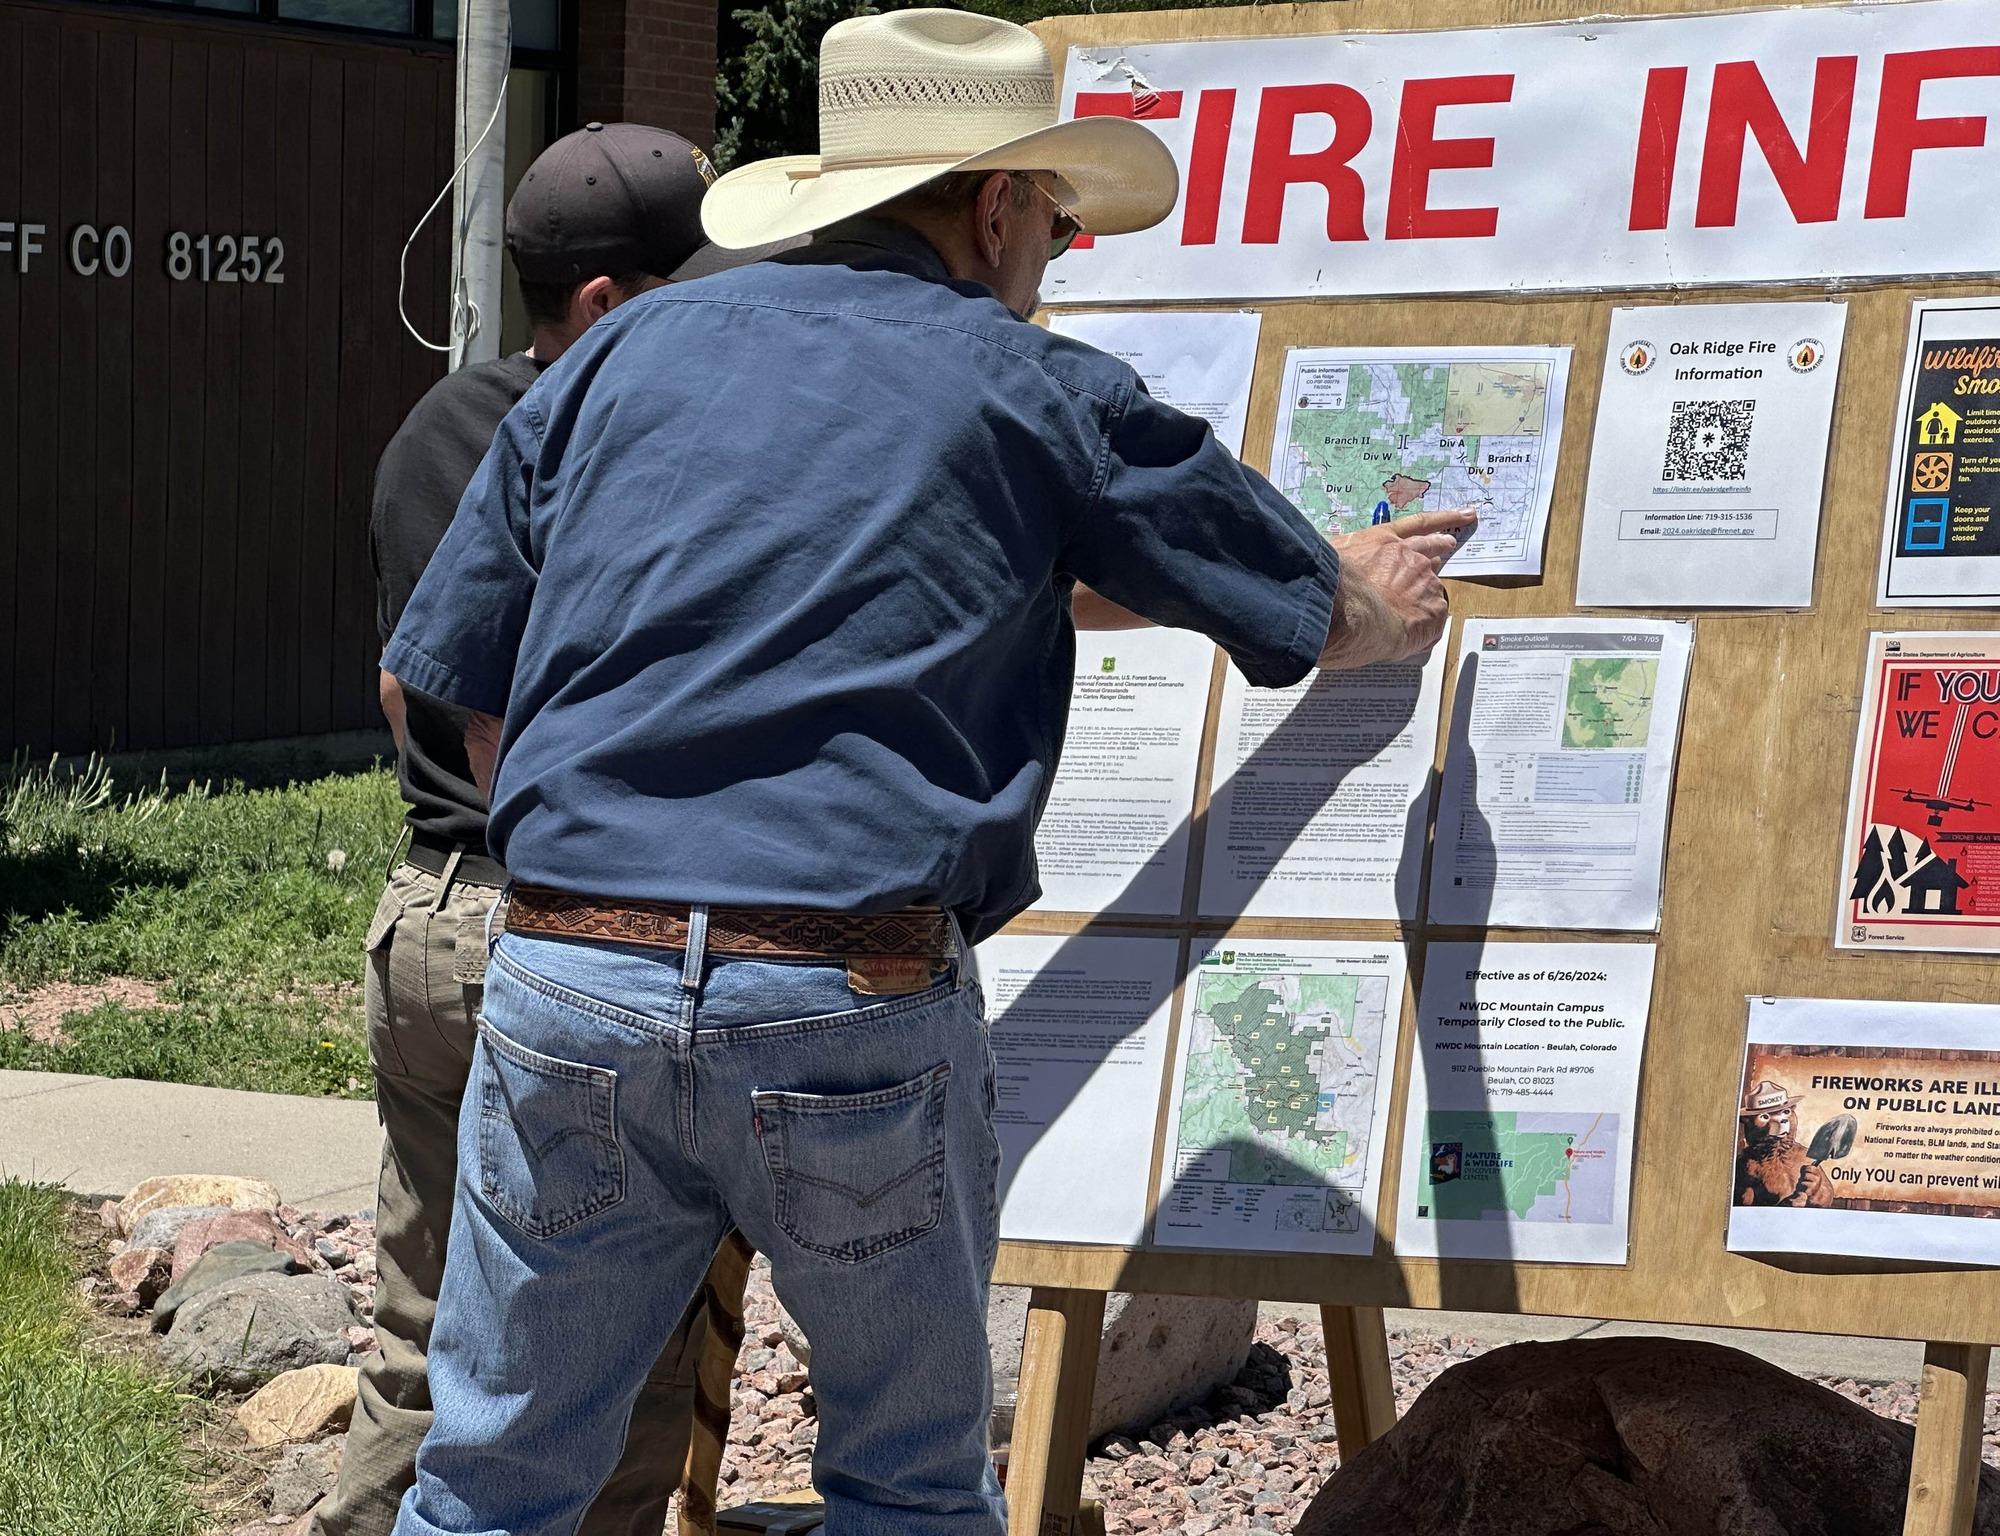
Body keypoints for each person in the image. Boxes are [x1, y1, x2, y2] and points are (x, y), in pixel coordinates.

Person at [381, 12, 1463, 1536]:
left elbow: (455, 684)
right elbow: (1302, 598)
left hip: (571, 973)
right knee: (903, 1487)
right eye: (1061, 221)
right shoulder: (1034, 389)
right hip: (847, 992)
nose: (1061, 257)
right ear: (1000, 203)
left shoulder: (617, 351)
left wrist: (609, 878)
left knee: (491, 1483)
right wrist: (1381, 601)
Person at [317, 122, 769, 1536]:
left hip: (426, 919)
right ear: (602, 307)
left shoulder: (432, 429)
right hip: (562, 928)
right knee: (616, 1353)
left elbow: (413, 683)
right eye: (684, 286)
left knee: (422, 1336)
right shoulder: (623, 438)